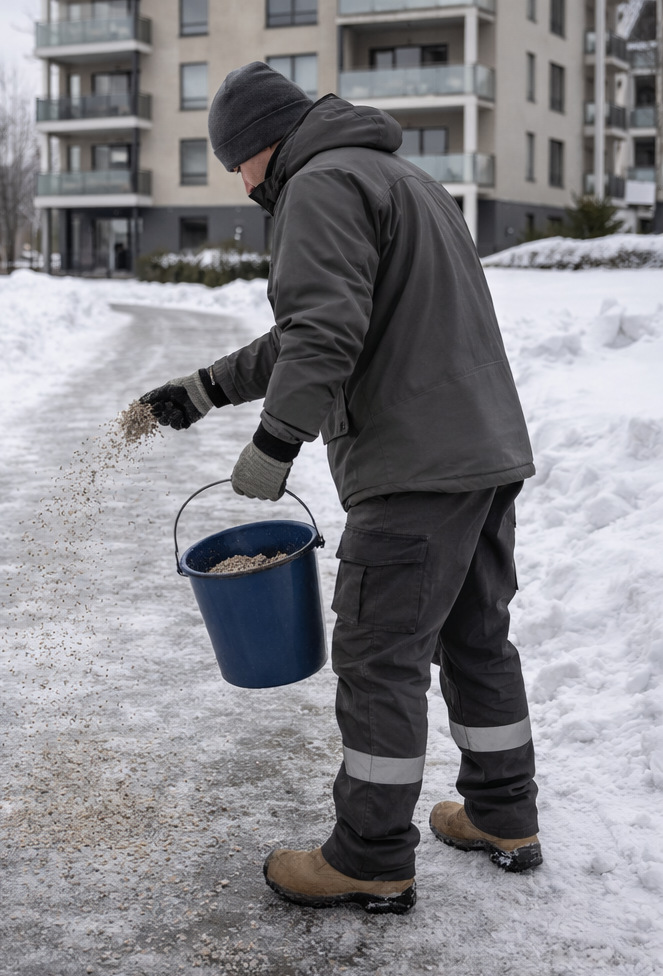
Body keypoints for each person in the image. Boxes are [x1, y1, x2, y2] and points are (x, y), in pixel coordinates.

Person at [138, 63, 541, 916]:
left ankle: (369, 855)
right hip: (482, 452)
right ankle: (505, 816)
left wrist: (276, 442)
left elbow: (325, 328)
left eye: (235, 167)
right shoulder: (401, 177)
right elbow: (320, 324)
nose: (242, 186)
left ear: (257, 148)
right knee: (475, 639)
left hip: (413, 468)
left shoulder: (315, 187)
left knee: (378, 657)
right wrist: (207, 387)